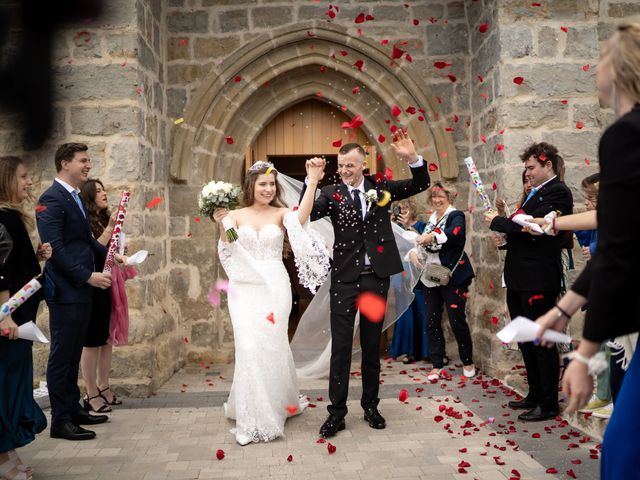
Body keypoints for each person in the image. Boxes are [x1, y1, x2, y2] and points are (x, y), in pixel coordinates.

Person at [534, 22, 640, 478]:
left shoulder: (626, 135)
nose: (593, 68)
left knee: (622, 454)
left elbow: (619, 247)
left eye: (600, 58)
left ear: (618, 69)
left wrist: (583, 353)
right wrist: (563, 310)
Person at [304, 129, 431, 438]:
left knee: (372, 345)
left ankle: (371, 406)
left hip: (375, 279)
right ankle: (337, 413)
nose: (345, 170)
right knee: (342, 348)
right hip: (345, 280)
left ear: (363, 163)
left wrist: (413, 158)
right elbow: (304, 215)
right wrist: (312, 181)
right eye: (341, 165)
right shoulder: (330, 193)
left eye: (350, 165)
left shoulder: (381, 188)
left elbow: (419, 183)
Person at [213, 159, 329, 446]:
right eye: (263, 184)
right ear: (251, 185)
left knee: (272, 345)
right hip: (244, 288)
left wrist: (312, 180)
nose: (268, 189)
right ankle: (253, 412)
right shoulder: (235, 215)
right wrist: (221, 223)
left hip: (275, 287)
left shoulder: (280, 214)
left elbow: (302, 217)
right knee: (249, 347)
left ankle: (274, 407)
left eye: (271, 184)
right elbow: (230, 245)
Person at [36, 143, 122, 441]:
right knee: (62, 356)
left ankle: (73, 409)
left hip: (81, 291)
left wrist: (113, 257)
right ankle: (61, 421)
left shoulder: (72, 197)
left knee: (73, 354)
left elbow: (86, 242)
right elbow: (56, 249)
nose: (88, 165)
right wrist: (88, 277)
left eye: (88, 160)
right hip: (66, 290)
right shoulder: (51, 198)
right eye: (83, 161)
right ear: (64, 164)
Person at [484, 142, 573, 422]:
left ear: (548, 165)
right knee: (525, 339)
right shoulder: (534, 193)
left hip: (539, 278)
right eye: (526, 168)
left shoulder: (558, 192)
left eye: (532, 167)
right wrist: (506, 239)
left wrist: (499, 221)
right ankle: (535, 393)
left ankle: (548, 402)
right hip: (520, 276)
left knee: (541, 341)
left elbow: (539, 231)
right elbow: (522, 234)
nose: (528, 173)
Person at [0, 156, 51, 480]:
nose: (29, 182)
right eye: (22, 176)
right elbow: (0, 272)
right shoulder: (0, 217)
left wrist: (36, 258)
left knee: (13, 386)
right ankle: (3, 459)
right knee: (6, 388)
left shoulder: (11, 217)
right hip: (9, 320)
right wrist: (5, 317)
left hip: (19, 316)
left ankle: (8, 453)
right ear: (6, 179)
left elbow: (12, 261)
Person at [408, 182, 475, 381]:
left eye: (441, 196)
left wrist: (431, 237)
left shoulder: (456, 216)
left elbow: (454, 234)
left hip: (452, 276)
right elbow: (419, 241)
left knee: (457, 320)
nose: (437, 200)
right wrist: (413, 253)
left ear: (449, 197)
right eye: (434, 196)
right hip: (430, 276)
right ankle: (436, 364)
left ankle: (468, 360)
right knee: (431, 321)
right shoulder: (431, 218)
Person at [79, 179, 122, 413]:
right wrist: (110, 229)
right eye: (98, 191)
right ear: (88, 196)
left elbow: (108, 252)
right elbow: (91, 250)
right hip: (91, 284)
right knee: (91, 340)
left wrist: (121, 256)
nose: (104, 193)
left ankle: (104, 386)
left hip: (107, 284)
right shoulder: (85, 221)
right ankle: (90, 391)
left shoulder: (104, 218)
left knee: (106, 339)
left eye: (104, 188)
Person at [389, 199, 430, 364]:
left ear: (413, 209)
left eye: (406, 208)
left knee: (423, 312)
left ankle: (427, 351)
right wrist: (393, 226)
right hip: (401, 274)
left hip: (419, 272)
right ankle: (409, 351)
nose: (404, 211)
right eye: (400, 209)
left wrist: (409, 228)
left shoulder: (421, 226)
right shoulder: (394, 228)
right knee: (405, 313)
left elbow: (424, 244)